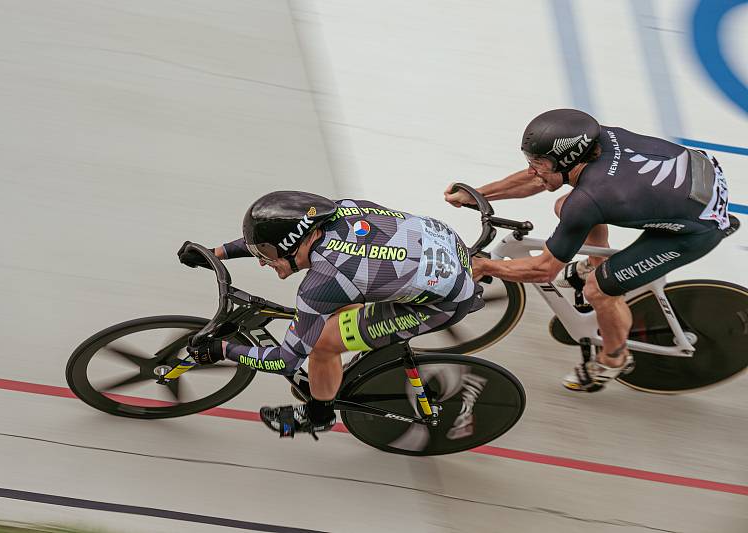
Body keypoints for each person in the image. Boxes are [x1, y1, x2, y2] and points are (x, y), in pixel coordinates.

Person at [445, 108, 731, 392]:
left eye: (539, 162)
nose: (533, 168)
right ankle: (596, 263)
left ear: (568, 158)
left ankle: (614, 358)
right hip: (697, 182)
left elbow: (544, 269)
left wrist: (484, 267)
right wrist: (477, 195)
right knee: (564, 205)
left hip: (695, 230)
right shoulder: (595, 138)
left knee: (599, 289)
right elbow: (537, 178)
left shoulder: (590, 198)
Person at [178, 191, 481, 438]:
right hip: (444, 244)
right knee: (336, 310)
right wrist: (216, 253)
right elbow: (278, 234)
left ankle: (318, 414)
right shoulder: (337, 210)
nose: (262, 262)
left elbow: (285, 360)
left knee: (322, 344)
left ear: (294, 242)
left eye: (268, 256)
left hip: (442, 303)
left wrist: (223, 349)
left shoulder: (325, 282)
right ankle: (347, 364)